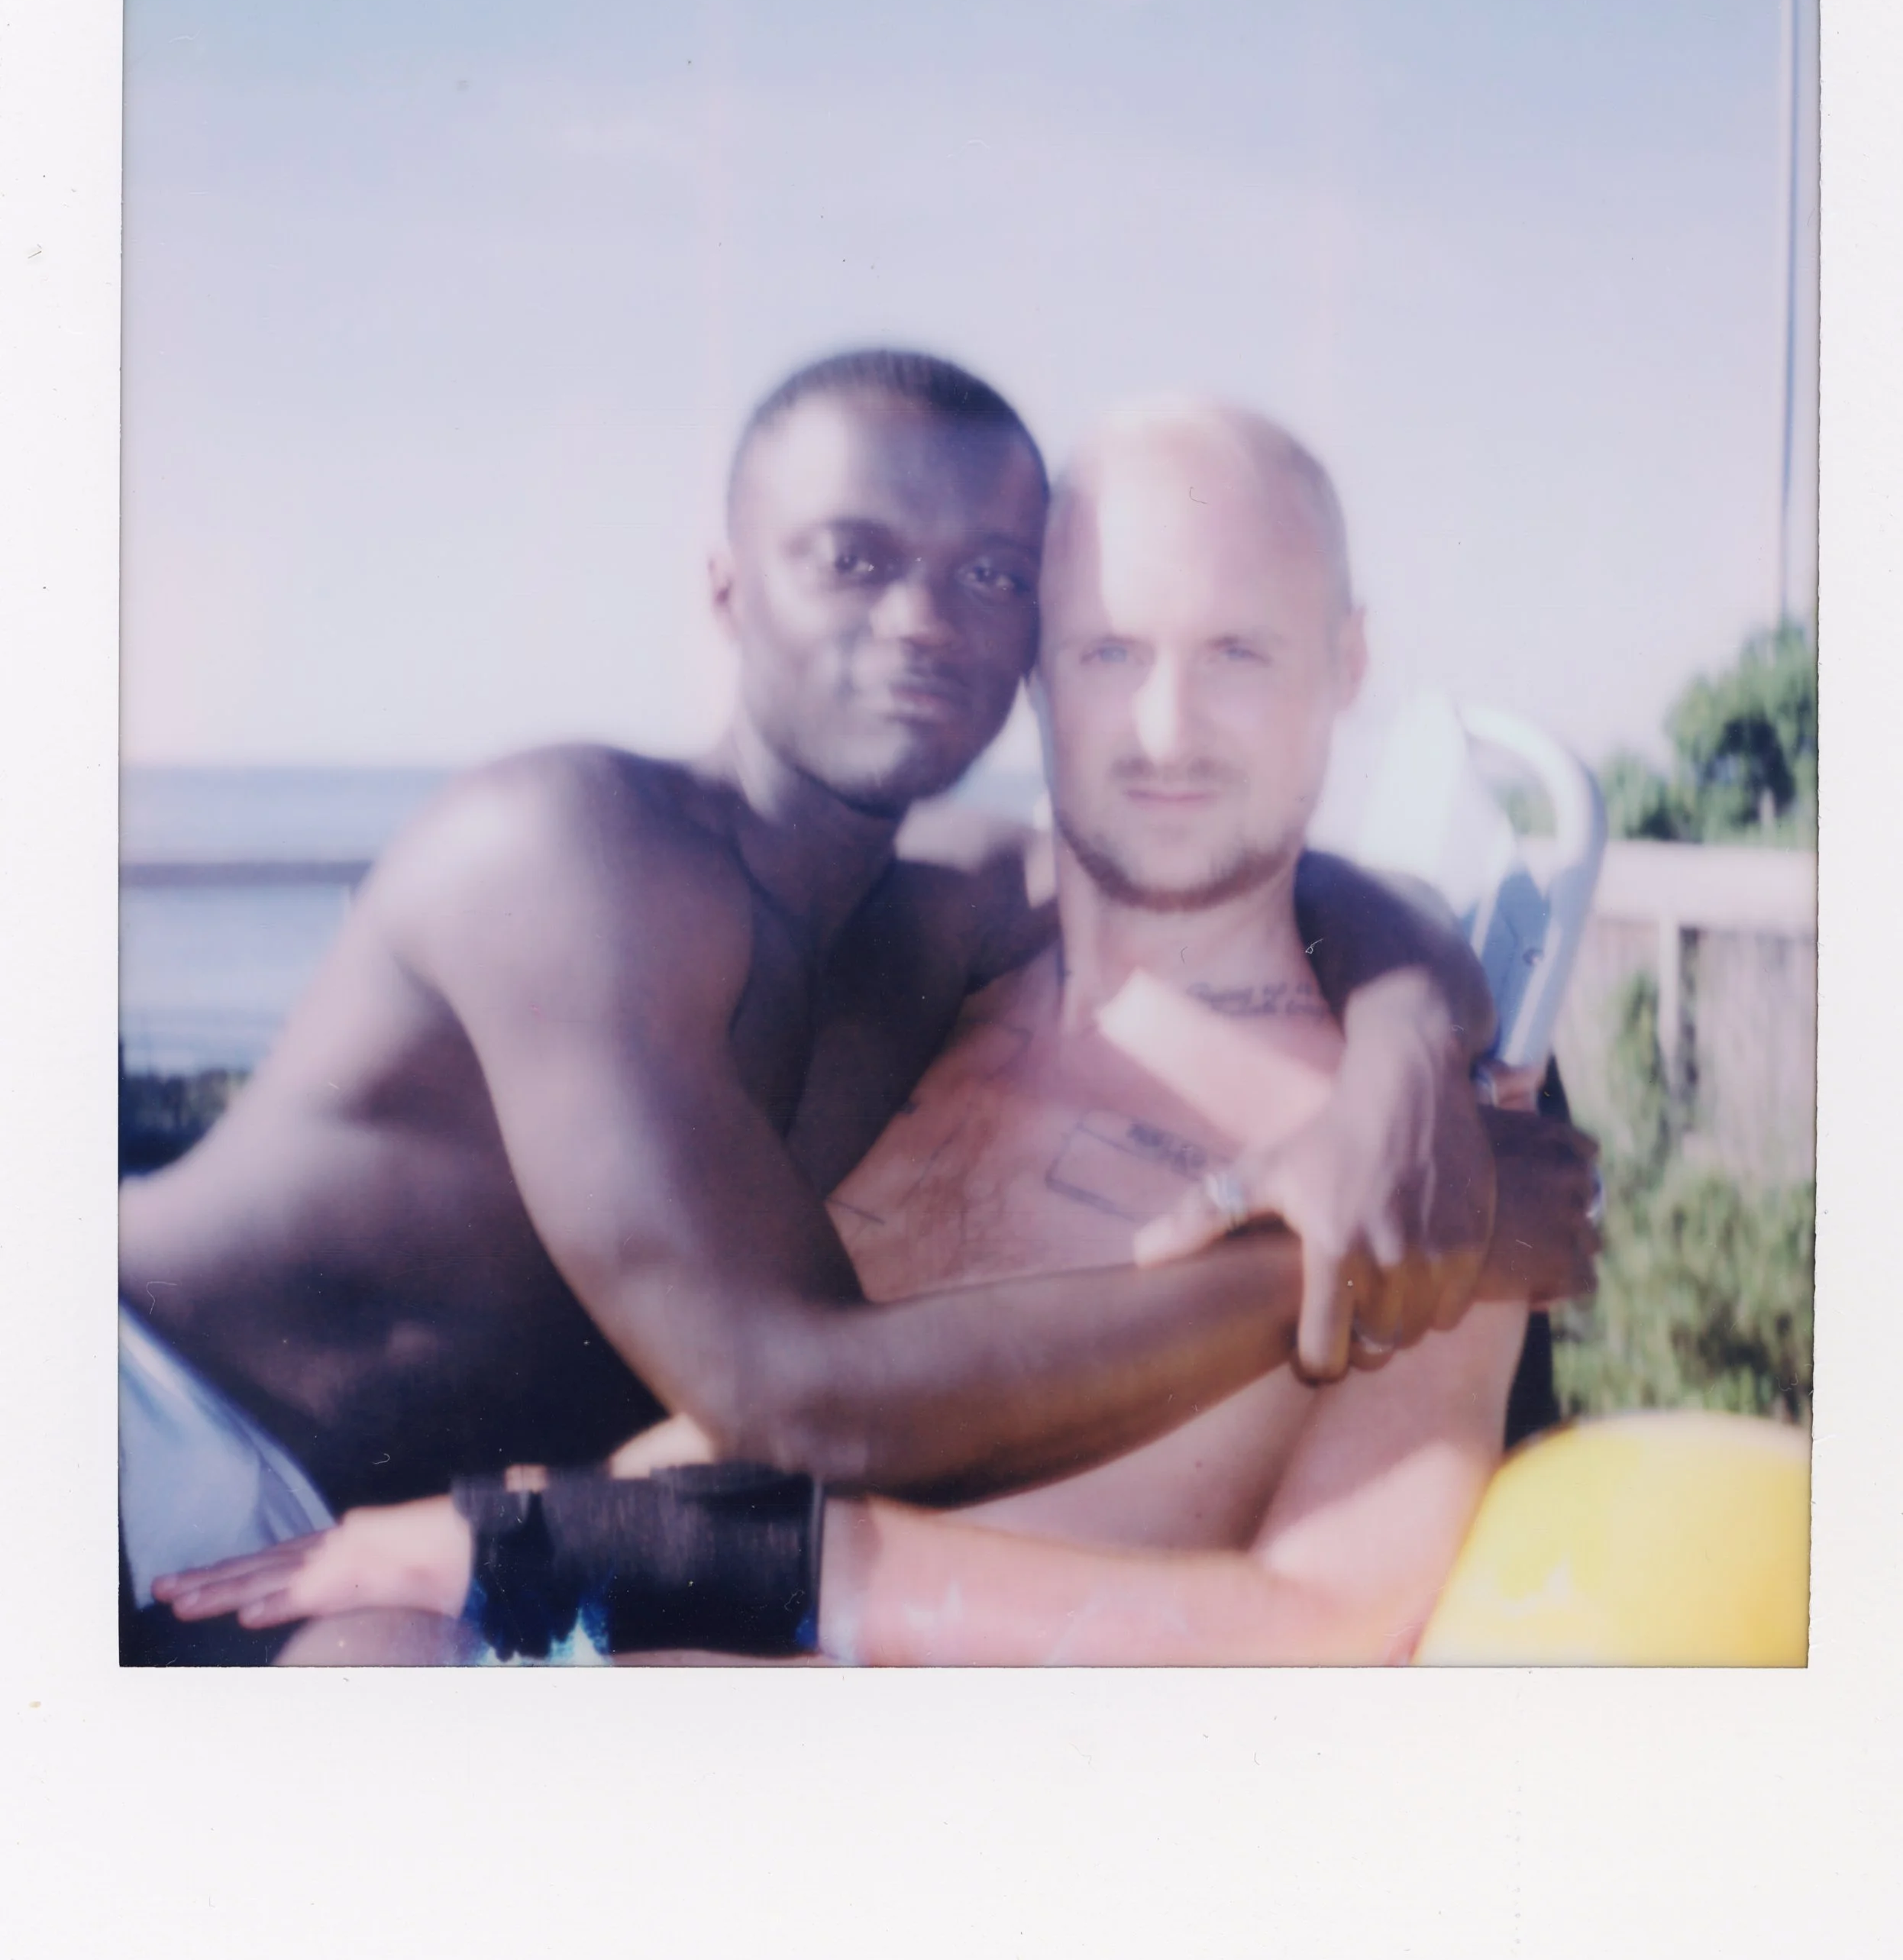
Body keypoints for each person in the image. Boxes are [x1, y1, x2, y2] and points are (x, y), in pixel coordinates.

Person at [157, 397, 1598, 1665]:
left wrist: (1408, 1059)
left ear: (1347, 665)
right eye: (1107, 654)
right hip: (475, 1590)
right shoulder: (939, 959)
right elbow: (780, 1391)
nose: (1168, 728)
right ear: (1035, 671)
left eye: (1239, 653)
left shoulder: (1427, 1154)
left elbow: (1326, 1624)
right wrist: (483, 1571)